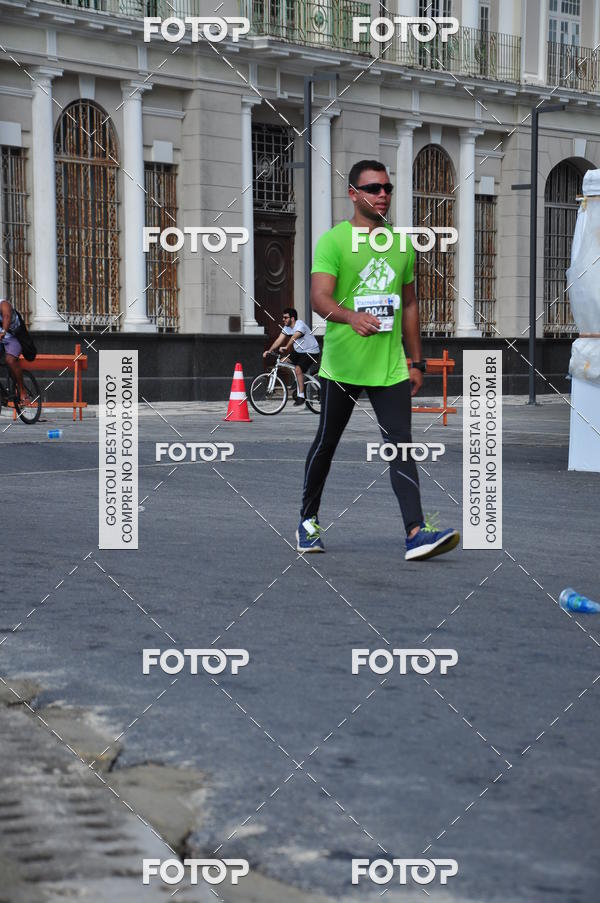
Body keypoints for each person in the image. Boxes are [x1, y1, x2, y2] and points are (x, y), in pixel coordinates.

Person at [296, 160, 460, 561]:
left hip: (390, 367)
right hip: (343, 365)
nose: (382, 194)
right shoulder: (334, 241)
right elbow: (319, 297)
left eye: (387, 188)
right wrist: (351, 317)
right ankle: (307, 521)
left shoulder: (401, 243)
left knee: (401, 446)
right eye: (373, 188)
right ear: (353, 194)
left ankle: (416, 533)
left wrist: (417, 362)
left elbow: (410, 304)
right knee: (326, 443)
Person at [263, 308, 320, 406]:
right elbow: (279, 340)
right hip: (299, 351)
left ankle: (301, 396)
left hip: (311, 351)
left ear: (292, 318)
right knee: (282, 361)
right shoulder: (287, 328)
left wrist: (286, 347)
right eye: (283, 317)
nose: (283, 319)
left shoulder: (300, 325)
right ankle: (297, 380)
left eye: (285, 317)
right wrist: (269, 350)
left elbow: (294, 337)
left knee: (298, 369)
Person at [0, 298, 28, 402]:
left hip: (14, 338)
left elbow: (7, 316)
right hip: (1, 341)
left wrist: (3, 332)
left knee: (10, 360)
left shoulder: (4, 304)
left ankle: (22, 390)